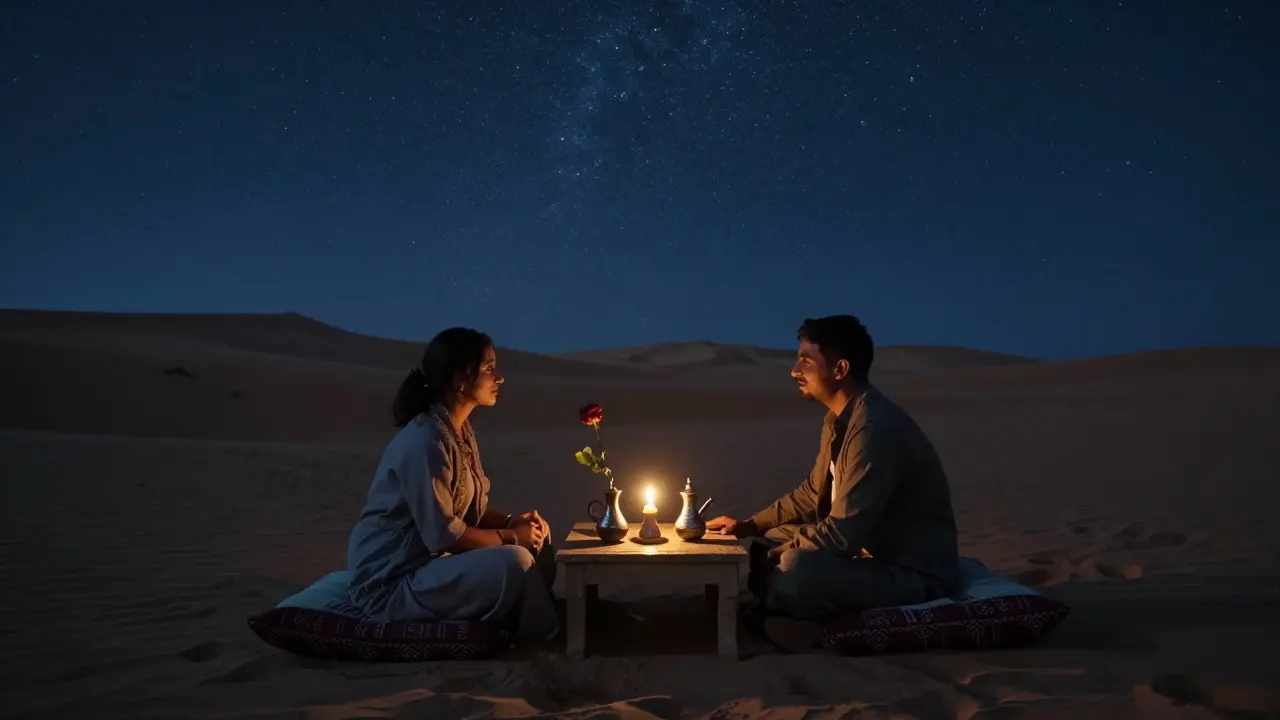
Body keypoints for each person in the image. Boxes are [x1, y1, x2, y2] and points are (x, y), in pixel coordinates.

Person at [706, 314, 960, 651]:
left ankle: (803, 626)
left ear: (839, 370)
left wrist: (786, 553)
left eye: (806, 362)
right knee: (767, 543)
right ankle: (781, 611)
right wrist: (748, 525)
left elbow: (843, 534)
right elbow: (811, 495)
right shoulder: (840, 418)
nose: (794, 371)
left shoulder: (873, 428)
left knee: (797, 572)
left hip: (912, 571)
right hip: (870, 552)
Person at [345, 327, 559, 641]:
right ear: (461, 380)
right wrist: (511, 536)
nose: (498, 378)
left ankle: (540, 617)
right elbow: (443, 534)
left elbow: (470, 509)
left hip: (429, 568)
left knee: (540, 533)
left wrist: (514, 522)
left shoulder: (458, 430)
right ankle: (543, 633)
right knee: (515, 561)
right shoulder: (426, 440)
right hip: (391, 582)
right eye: (488, 369)